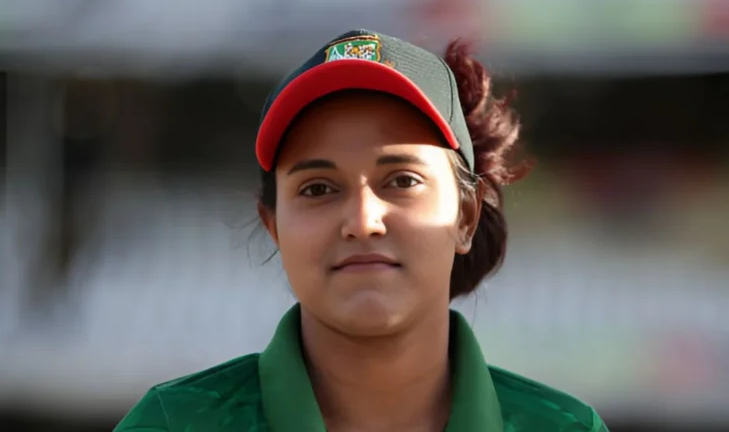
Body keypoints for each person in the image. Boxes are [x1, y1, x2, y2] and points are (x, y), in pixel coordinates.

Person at [114, 29, 608, 432]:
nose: (363, 221)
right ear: (275, 228)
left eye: (403, 181)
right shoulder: (173, 424)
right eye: (317, 188)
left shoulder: (565, 428)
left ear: (466, 216)